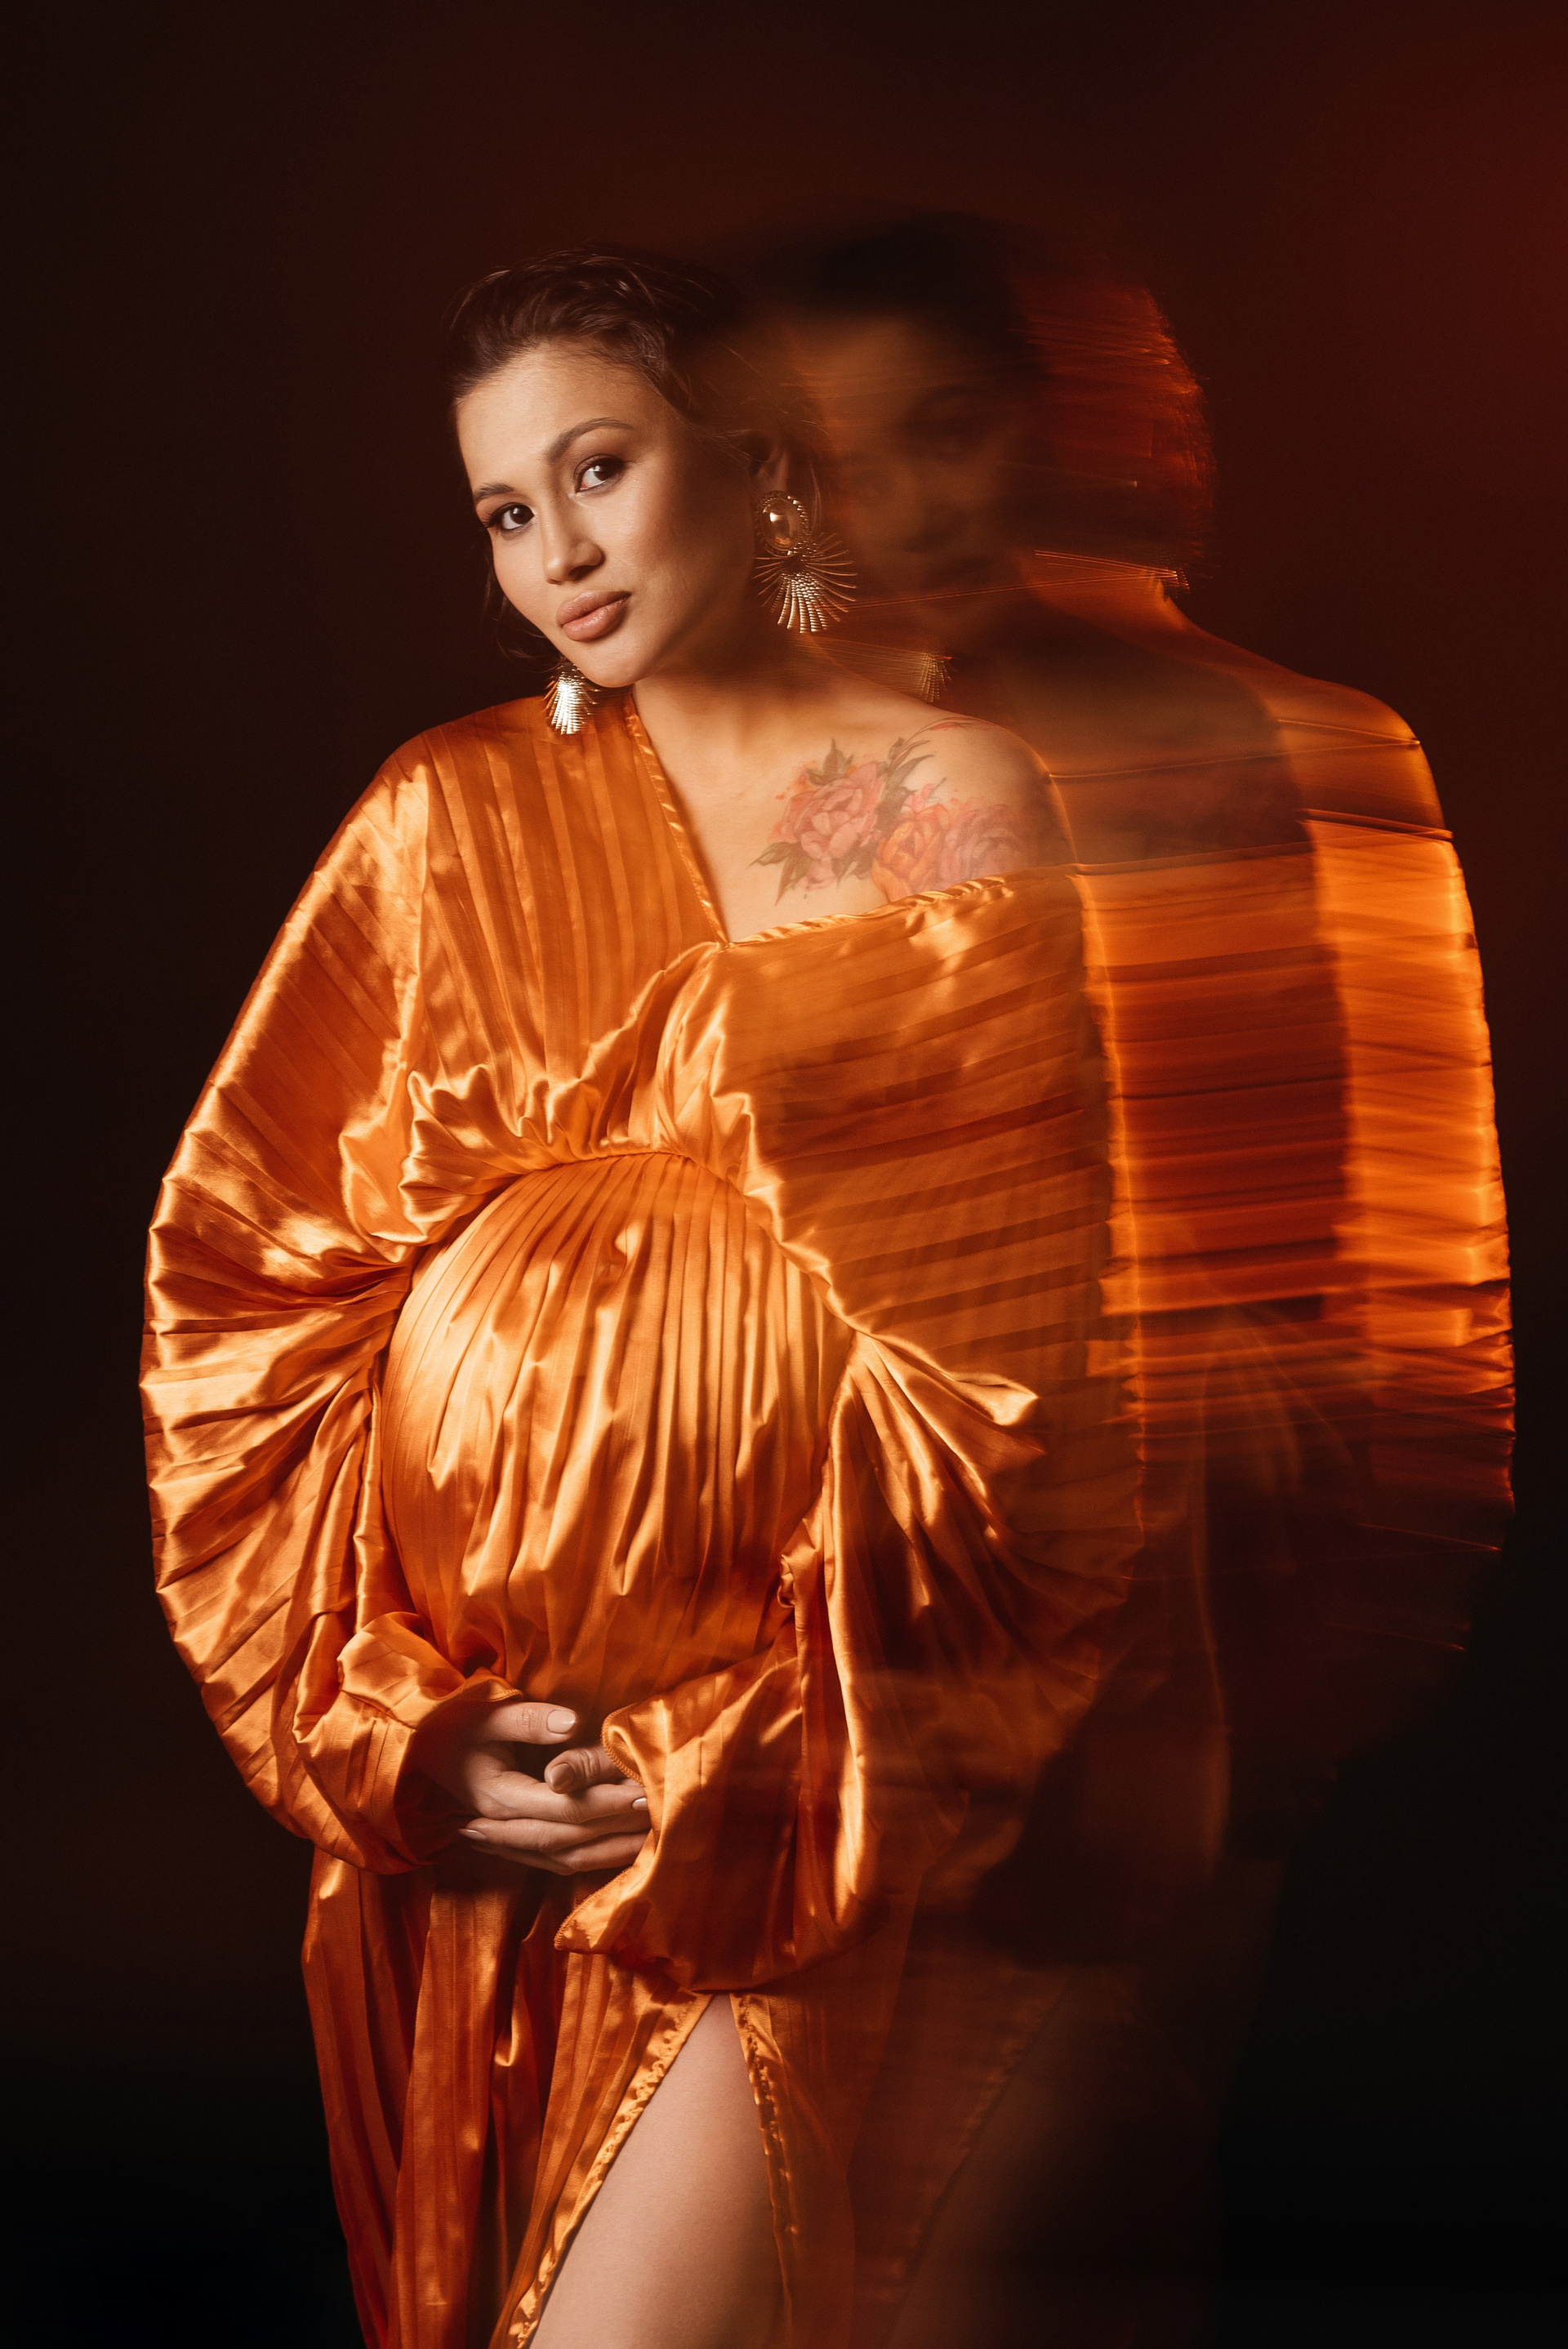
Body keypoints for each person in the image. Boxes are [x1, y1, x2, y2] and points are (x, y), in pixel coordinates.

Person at [141, 247, 1142, 2349]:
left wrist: (749, 1749)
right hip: (485, 1813)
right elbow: (240, 1300)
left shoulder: (952, 803)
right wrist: (406, 1737)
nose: (559, 554)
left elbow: (1005, 1357)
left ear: (755, 464)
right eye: (508, 511)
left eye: (598, 470)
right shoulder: (444, 813)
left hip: (788, 1793)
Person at [773, 215, 1513, 2342]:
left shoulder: (1284, 749)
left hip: (1138, 1675)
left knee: (997, 2264)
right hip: (782, 1666)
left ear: (1060, 425)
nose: (895, 503)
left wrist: (1301, 1683)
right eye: (827, 455)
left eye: (941, 428)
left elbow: (1415, 1280)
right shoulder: (791, 778)